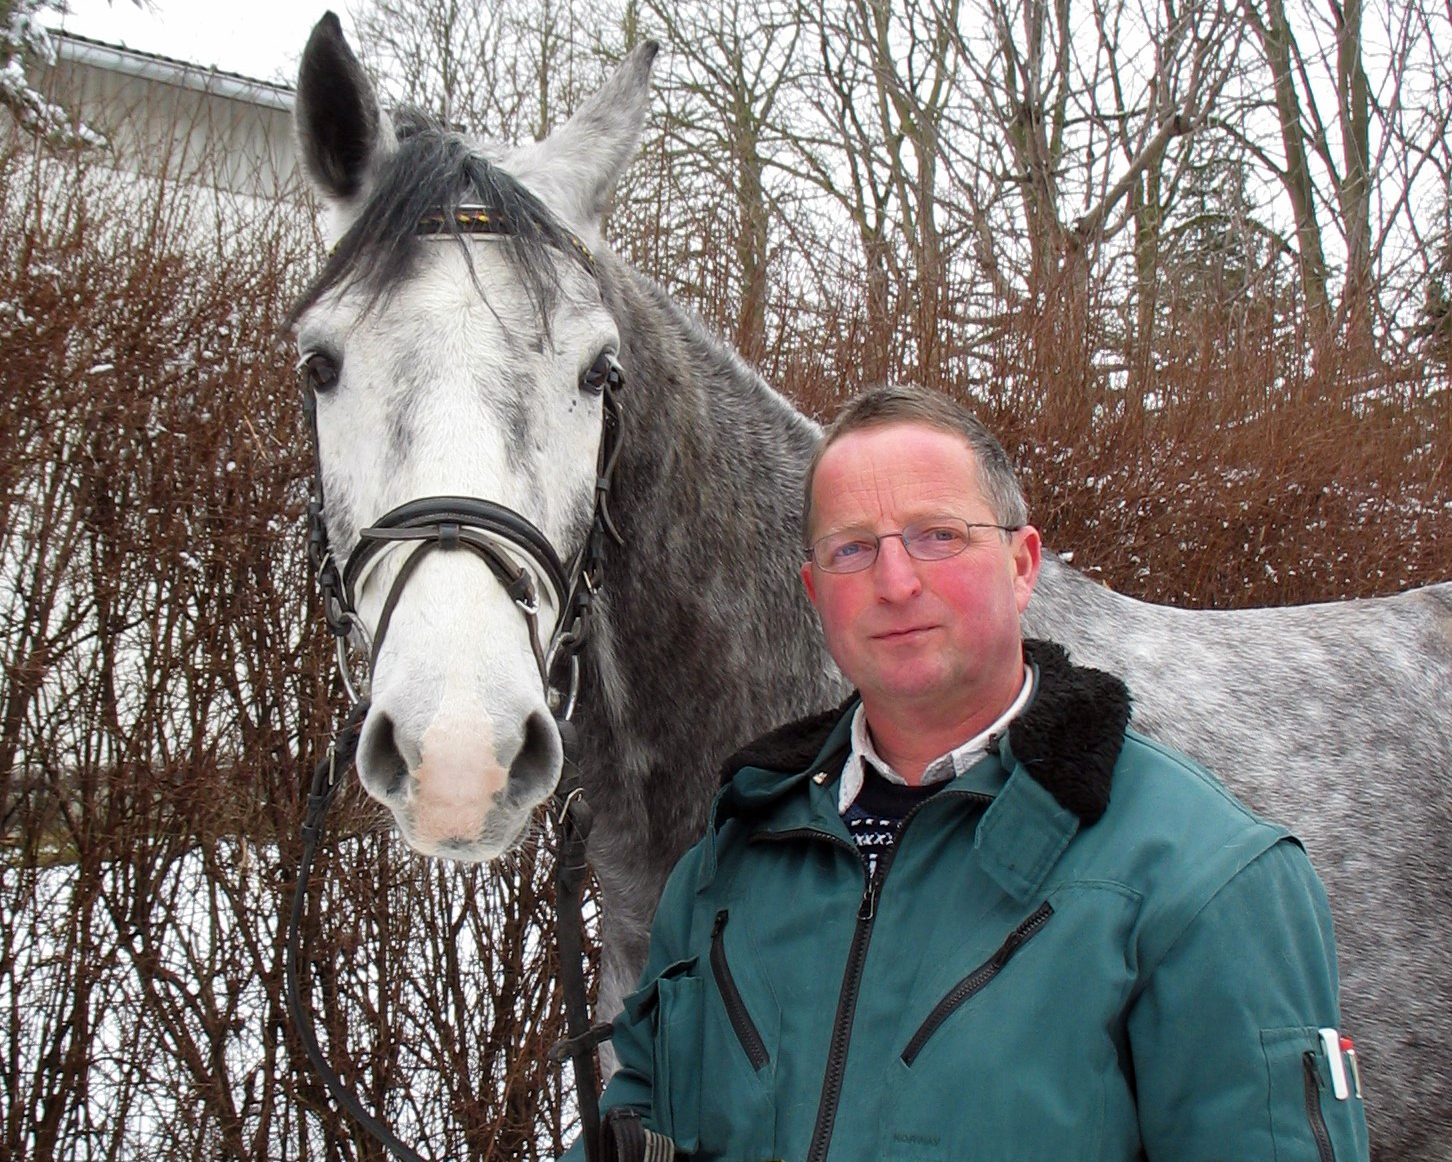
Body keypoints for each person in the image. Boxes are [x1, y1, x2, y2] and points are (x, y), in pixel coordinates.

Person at [573, 384, 1370, 1162]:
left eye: (938, 536)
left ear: (1023, 565)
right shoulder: (729, 866)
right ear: (816, 593)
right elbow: (642, 1121)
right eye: (853, 549)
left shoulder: (1208, 882)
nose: (894, 583)